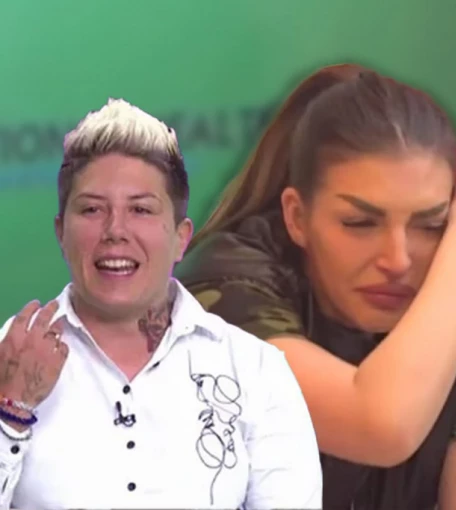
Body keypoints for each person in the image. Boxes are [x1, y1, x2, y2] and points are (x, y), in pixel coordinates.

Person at [175, 63, 456, 509]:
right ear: (297, 217)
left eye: (431, 225)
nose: (397, 260)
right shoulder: (224, 290)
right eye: (359, 223)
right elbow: (379, 425)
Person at [0, 99, 323, 510]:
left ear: (180, 238)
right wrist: (11, 412)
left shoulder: (254, 370)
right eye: (92, 209)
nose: (115, 230)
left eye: (141, 209)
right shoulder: (8, 359)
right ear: (61, 233)